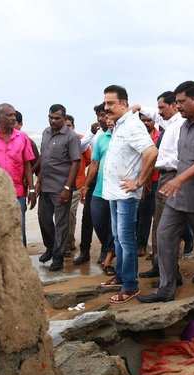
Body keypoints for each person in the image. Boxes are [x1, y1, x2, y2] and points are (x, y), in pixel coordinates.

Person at [138, 81, 194, 303]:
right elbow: (182, 160)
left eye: (181, 102)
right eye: (176, 102)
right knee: (164, 235)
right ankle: (166, 288)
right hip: (179, 196)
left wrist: (178, 179)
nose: (177, 107)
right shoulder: (183, 126)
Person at [102, 85, 159, 304]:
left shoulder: (133, 125)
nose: (107, 107)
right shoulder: (119, 125)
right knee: (118, 237)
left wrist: (140, 181)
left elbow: (151, 152)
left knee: (126, 240)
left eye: (111, 103)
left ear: (124, 104)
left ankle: (130, 285)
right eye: (105, 103)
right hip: (114, 192)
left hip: (126, 194)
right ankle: (121, 275)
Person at [134, 91, 190, 281]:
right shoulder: (170, 122)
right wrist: (139, 108)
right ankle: (159, 266)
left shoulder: (181, 124)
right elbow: (155, 114)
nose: (159, 112)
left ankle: (171, 273)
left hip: (173, 176)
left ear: (174, 106)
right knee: (158, 224)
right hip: (164, 177)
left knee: (168, 227)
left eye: (162, 107)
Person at [0, 103, 36, 244]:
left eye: (14, 115)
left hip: (18, 192)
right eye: (9, 115)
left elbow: (27, 164)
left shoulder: (22, 138)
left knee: (19, 229)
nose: (14, 118)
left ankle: (21, 264)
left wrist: (32, 188)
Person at [36, 104, 81, 271]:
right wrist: (38, 182)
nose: (53, 121)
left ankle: (58, 257)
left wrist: (68, 188)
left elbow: (75, 162)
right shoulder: (45, 132)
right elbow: (44, 159)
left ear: (64, 118)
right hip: (45, 184)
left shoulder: (71, 137)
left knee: (61, 223)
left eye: (56, 118)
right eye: (50, 117)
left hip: (61, 187)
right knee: (43, 219)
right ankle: (50, 247)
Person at [83, 104, 116, 274]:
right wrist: (86, 186)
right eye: (101, 116)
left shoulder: (124, 136)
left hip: (118, 190)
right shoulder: (101, 138)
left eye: (107, 116)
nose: (104, 119)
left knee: (114, 226)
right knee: (98, 222)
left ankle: (109, 256)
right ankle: (108, 248)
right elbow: (94, 163)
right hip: (99, 188)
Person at [63, 114, 94, 262]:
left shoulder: (81, 140)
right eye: (65, 125)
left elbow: (89, 160)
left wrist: (80, 173)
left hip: (77, 184)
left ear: (73, 126)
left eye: (69, 125)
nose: (67, 128)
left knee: (70, 213)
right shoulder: (59, 138)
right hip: (61, 184)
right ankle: (63, 242)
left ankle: (68, 244)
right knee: (61, 215)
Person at [136, 113, 161, 257]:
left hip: (156, 180)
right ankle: (141, 244)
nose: (146, 123)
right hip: (139, 180)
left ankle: (153, 247)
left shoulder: (160, 136)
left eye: (148, 120)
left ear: (154, 121)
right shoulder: (137, 137)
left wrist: (148, 180)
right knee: (142, 213)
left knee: (155, 214)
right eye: (143, 120)